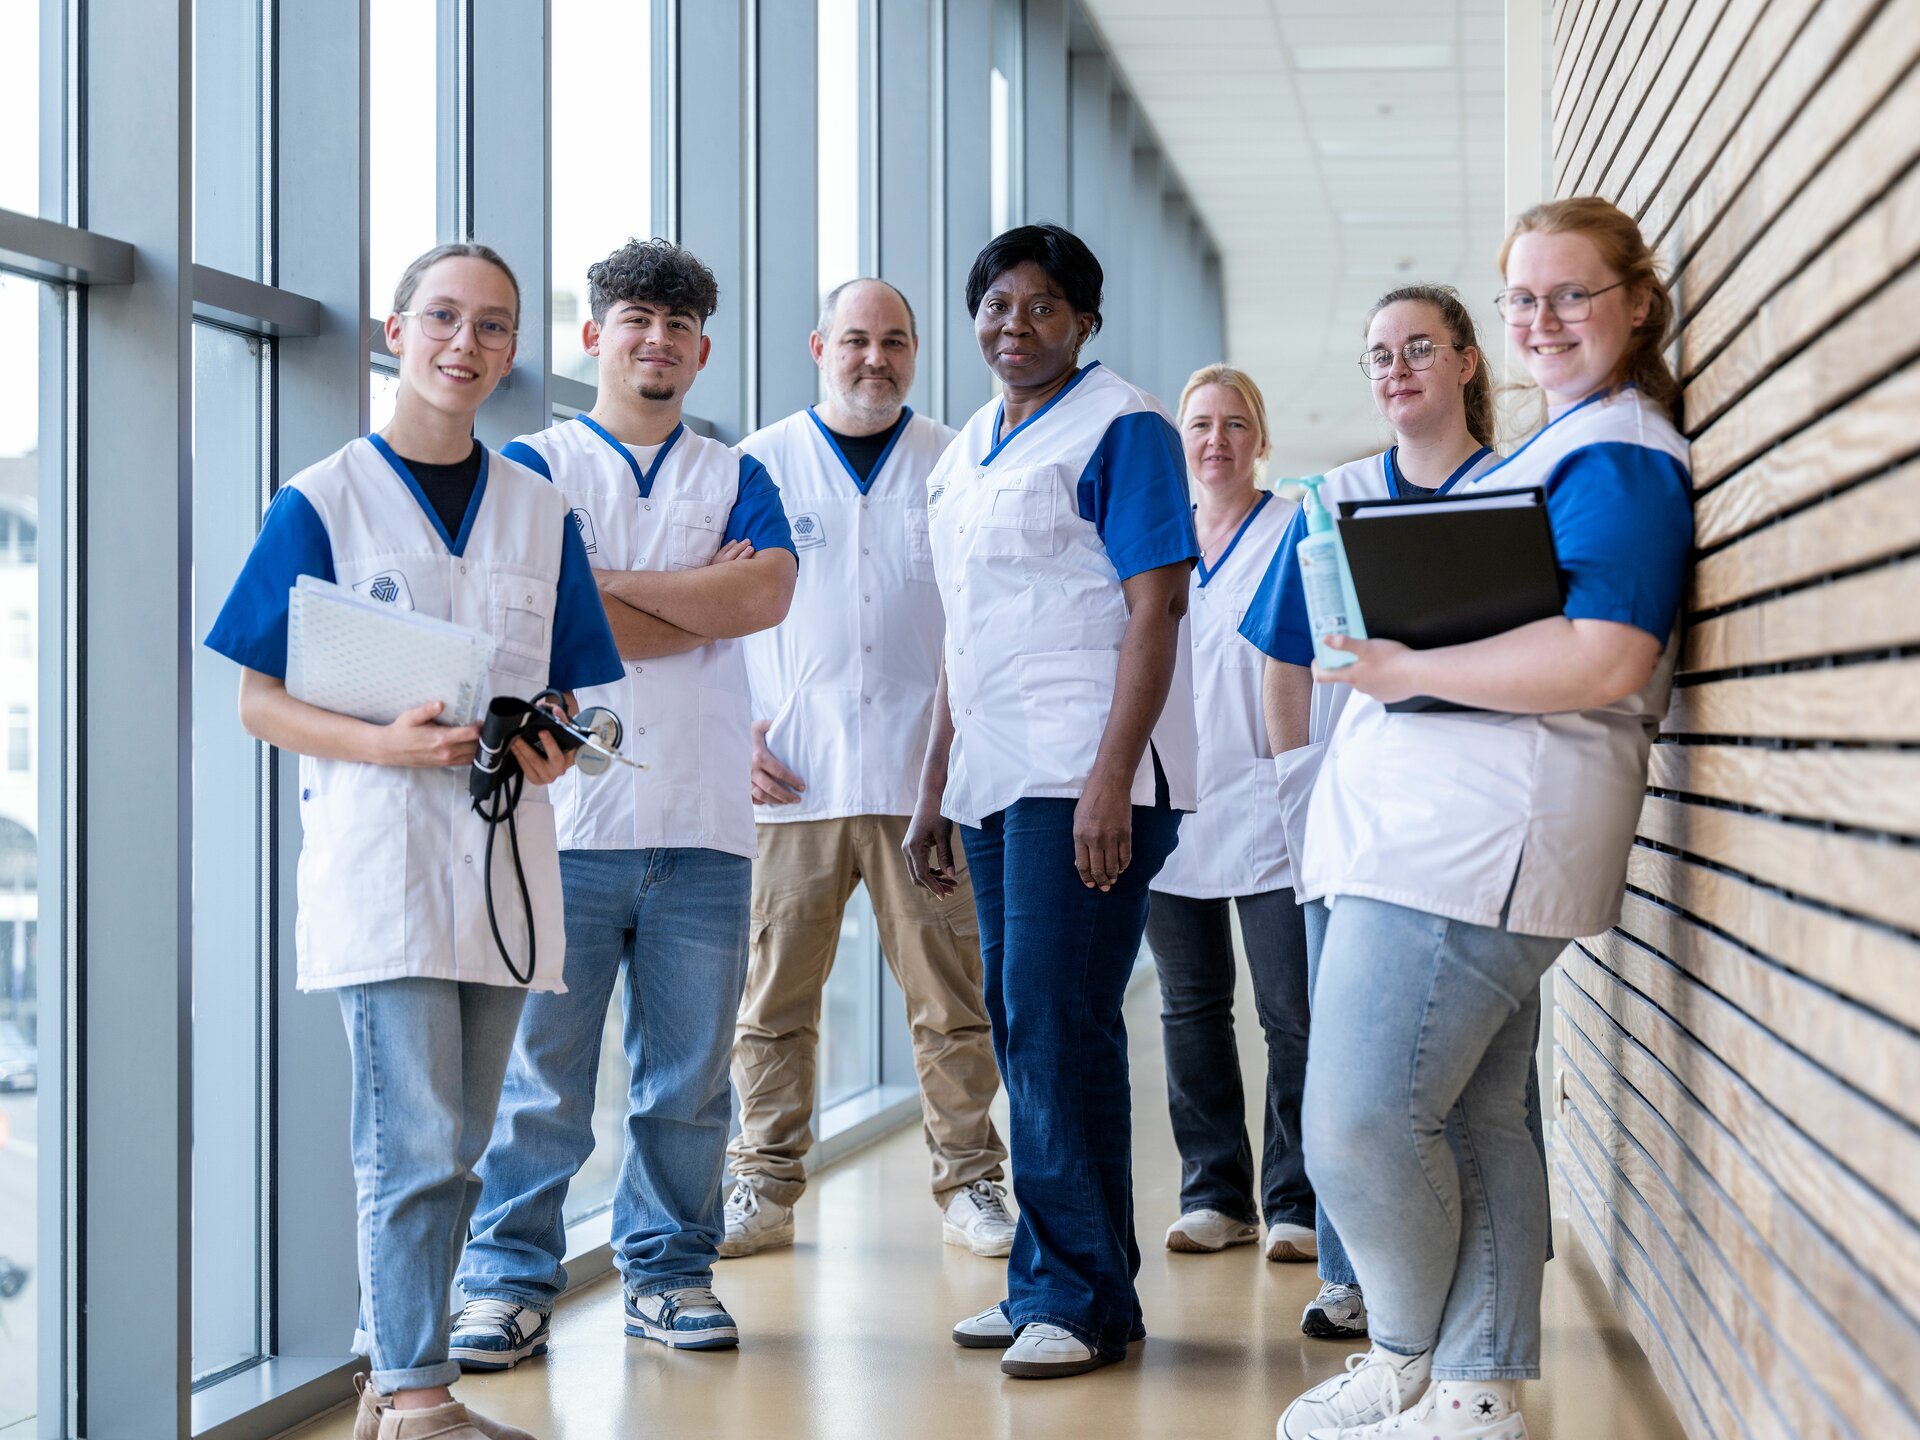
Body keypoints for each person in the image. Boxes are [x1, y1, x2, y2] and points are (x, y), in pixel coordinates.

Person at [1266, 198, 1694, 1440]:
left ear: (1635, 303)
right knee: (1476, 1116)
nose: (1543, 320)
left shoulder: (1615, 451)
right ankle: (1477, 1388)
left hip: (1476, 851)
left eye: (1572, 295)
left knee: (1353, 1123)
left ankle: (1404, 1351)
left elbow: (1611, 653)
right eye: (1523, 298)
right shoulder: (1550, 449)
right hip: (1440, 838)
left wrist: (1409, 669)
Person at [205, 242, 624, 1440]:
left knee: (465, 1138)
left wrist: (560, 743)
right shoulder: (322, 498)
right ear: (396, 331)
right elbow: (256, 699)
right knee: (419, 1139)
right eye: (444, 317)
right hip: (383, 860)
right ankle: (418, 1396)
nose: (467, 343)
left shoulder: (542, 511)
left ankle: (395, 1372)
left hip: (502, 861)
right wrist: (393, 746)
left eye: (494, 326)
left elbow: (584, 702)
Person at [448, 238, 797, 1368]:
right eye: (637, 319)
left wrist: (595, 600)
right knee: (543, 1081)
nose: (659, 340)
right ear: (595, 335)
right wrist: (694, 600)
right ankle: (507, 1283)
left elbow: (765, 593)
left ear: (701, 351)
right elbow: (529, 621)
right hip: (563, 828)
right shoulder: (532, 467)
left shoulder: (735, 470)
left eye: (681, 326)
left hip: (703, 827)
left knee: (689, 1084)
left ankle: (669, 1275)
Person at [904, 223, 1201, 1379]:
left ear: (1083, 320)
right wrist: (931, 788)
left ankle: (1072, 1298)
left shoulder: (1123, 425)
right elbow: (961, 641)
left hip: (1084, 774)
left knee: (1053, 1018)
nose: (1013, 326)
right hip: (993, 778)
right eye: (995, 306)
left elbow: (1156, 608)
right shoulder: (967, 445)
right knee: (1035, 1023)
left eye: (1040, 307)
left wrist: (1111, 777)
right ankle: (1071, 1282)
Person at [722, 278, 1014, 1259]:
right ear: (819, 345)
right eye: (856, 340)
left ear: (917, 350)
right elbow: (712, 616)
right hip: (792, 781)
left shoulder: (956, 459)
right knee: (772, 1003)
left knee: (950, 1001)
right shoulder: (758, 462)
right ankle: (761, 1182)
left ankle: (973, 1183)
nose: (874, 359)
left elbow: (993, 616)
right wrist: (733, 730)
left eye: (894, 341)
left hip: (926, 784)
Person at [1239, 283, 1503, 1350]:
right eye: (1379, 356)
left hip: (1476, 816)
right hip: (1349, 823)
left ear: (1467, 362)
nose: (1397, 370)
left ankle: (1471, 1297)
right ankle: (1351, 1280)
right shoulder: (1332, 497)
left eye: (1419, 349)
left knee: (1474, 1085)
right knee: (1339, 1069)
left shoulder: (1514, 488)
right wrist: (1299, 777)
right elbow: (1281, 651)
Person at [1143, 365, 1317, 1264]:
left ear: (1261, 439)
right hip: (1170, 801)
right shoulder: (1152, 537)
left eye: (1236, 424)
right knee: (1190, 1007)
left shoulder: (1295, 528)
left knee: (1292, 1010)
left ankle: (1297, 1199)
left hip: (1270, 806)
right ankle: (1215, 1191)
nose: (1217, 440)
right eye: (1201, 423)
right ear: (1181, 439)